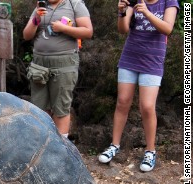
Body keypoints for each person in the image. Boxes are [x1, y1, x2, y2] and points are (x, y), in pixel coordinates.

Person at [98, 0, 179, 172]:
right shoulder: (132, 1)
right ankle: (115, 145)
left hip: (153, 61)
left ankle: (150, 151)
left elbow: (167, 29)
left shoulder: (169, 2)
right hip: (129, 58)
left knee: (147, 107)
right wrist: (121, 12)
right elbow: (123, 30)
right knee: (122, 101)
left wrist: (147, 12)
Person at [22, 0, 93, 138]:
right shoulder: (41, 6)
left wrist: (64, 28)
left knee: (61, 108)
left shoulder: (74, 4)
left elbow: (88, 32)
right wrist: (36, 19)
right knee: (40, 109)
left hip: (65, 63)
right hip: (39, 64)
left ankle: (61, 151)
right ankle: (42, 147)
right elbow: (26, 35)